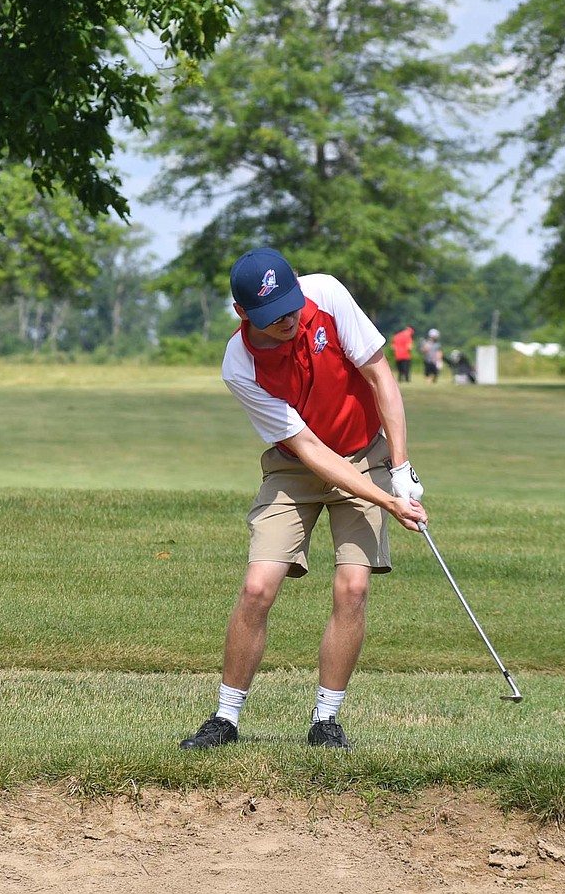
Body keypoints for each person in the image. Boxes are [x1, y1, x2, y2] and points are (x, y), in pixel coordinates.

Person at [179, 247, 428, 752]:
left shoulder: (328, 295)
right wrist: (385, 500)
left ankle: (326, 720)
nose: (289, 320)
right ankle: (225, 719)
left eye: (291, 307)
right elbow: (310, 450)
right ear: (243, 314)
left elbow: (381, 375)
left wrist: (398, 469)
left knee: (353, 586)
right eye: (274, 317)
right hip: (297, 465)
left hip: (365, 450)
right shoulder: (239, 364)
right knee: (257, 586)